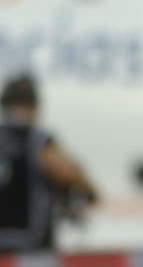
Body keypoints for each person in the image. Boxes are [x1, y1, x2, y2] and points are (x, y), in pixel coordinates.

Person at [0, 75, 97, 253]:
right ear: (34, 106)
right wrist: (89, 191)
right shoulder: (37, 140)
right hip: (29, 247)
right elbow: (67, 173)